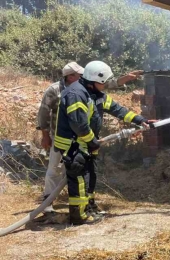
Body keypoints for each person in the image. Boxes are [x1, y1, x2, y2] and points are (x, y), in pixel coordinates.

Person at [53, 60, 156, 225]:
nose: (107, 85)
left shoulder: (95, 94)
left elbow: (117, 109)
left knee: (90, 176)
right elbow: (78, 125)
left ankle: (89, 207)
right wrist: (92, 141)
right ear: (94, 81)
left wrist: (140, 120)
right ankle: (79, 216)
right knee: (79, 180)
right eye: (104, 82)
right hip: (72, 145)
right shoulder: (76, 94)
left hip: (85, 144)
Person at [37, 62, 143, 212]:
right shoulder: (65, 92)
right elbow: (73, 122)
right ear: (71, 76)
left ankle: (86, 206)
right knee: (58, 170)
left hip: (83, 141)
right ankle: (50, 206)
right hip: (67, 141)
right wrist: (45, 135)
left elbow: (114, 106)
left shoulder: (90, 91)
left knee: (85, 174)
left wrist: (140, 120)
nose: (82, 76)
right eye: (79, 74)